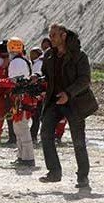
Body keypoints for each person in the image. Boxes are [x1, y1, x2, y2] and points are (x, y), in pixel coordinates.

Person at [39, 24, 99, 189]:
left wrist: (68, 93)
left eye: (54, 35)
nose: (51, 38)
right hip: (54, 101)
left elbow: (84, 80)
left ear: (63, 36)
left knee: (78, 140)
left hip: (74, 102)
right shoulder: (49, 55)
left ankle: (83, 177)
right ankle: (54, 172)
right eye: (50, 35)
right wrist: (36, 78)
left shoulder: (79, 56)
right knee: (45, 133)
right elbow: (45, 75)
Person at [0, 37, 36, 168]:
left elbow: (15, 81)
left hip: (21, 99)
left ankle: (28, 158)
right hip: (22, 98)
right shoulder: (23, 60)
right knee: (18, 128)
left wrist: (0, 83)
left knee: (21, 128)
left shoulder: (16, 62)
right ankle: (22, 156)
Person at [29, 46, 45, 143]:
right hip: (36, 92)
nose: (31, 55)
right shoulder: (34, 63)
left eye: (33, 53)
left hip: (37, 93)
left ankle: (33, 135)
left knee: (36, 116)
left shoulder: (38, 64)